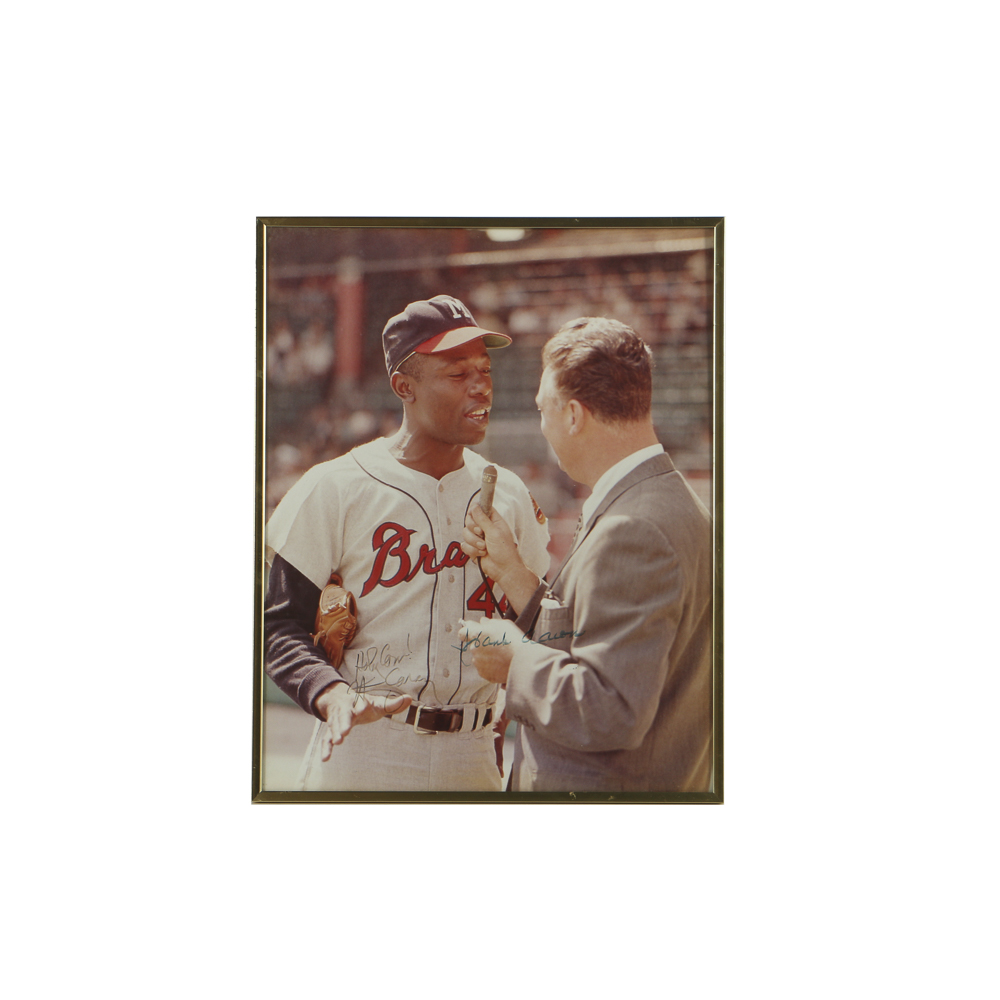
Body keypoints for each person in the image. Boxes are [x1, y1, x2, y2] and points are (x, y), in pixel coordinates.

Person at [264, 294, 551, 792]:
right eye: (458, 374)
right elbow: (278, 625)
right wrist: (329, 693)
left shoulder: (512, 495)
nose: (481, 386)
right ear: (404, 386)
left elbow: (541, 625)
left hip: (475, 751)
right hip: (366, 746)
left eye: (484, 369)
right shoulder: (336, 486)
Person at [459, 317, 713, 793]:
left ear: (573, 416)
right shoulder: (665, 500)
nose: (542, 424)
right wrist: (515, 576)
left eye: (543, 409)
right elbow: (599, 639)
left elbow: (610, 707)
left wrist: (514, 661)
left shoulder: (634, 527)